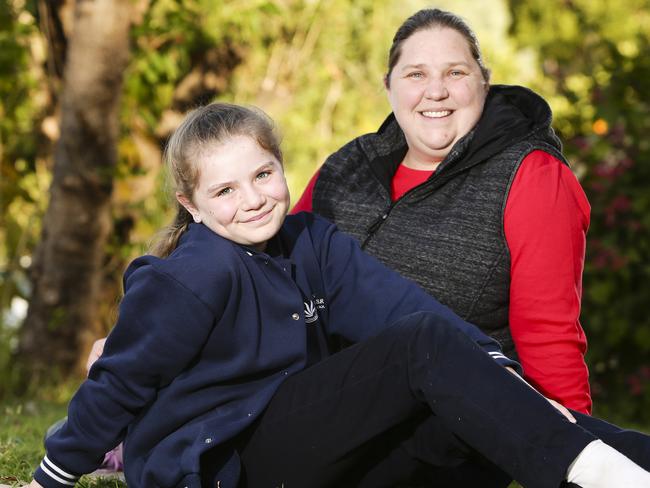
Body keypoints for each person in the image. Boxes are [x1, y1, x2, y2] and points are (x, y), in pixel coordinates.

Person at [26, 103, 650, 488]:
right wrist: (52, 475)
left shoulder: (310, 242)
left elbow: (404, 308)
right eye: (224, 191)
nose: (252, 199)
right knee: (427, 351)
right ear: (191, 205)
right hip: (232, 461)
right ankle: (595, 470)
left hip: (312, 452)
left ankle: (627, 463)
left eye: (263, 174)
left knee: (471, 413)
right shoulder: (194, 273)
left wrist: (505, 379)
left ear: (280, 165)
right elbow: (117, 383)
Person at [293, 8, 592, 413]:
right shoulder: (348, 165)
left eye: (455, 73)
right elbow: (273, 267)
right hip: (318, 404)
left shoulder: (532, 176)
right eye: (415, 74)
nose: (436, 91)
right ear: (388, 86)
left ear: (484, 82)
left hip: (442, 422)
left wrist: (576, 453)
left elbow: (549, 336)